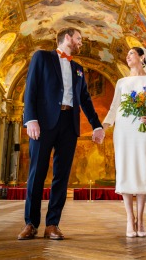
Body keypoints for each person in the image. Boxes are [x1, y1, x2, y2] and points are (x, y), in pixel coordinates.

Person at [18, 27, 105, 241]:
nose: (80, 43)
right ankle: (31, 223)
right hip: (43, 123)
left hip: (69, 124)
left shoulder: (78, 68)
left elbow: (85, 99)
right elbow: (31, 88)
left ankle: (52, 224)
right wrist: (30, 119)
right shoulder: (42, 57)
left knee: (61, 176)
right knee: (36, 173)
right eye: (78, 39)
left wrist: (96, 125)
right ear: (67, 37)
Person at [102, 47, 146, 238]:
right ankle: (129, 220)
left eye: (131, 53)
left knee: (143, 170)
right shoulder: (121, 81)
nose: (127, 56)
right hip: (124, 131)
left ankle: (141, 220)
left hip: (145, 129)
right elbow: (115, 107)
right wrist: (103, 128)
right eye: (127, 54)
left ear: (142, 57)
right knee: (126, 171)